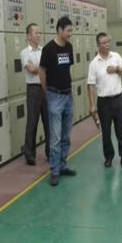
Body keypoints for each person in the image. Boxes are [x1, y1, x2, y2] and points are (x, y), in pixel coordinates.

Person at [39, 17, 77, 187]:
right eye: (68, 30)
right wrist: (47, 92)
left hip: (68, 96)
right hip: (54, 96)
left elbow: (68, 69)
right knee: (55, 137)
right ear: (60, 30)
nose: (70, 34)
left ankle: (62, 165)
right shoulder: (48, 49)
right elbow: (41, 71)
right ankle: (54, 171)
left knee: (66, 136)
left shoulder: (69, 47)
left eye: (71, 31)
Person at [87, 32, 122, 169]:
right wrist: (92, 105)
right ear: (98, 45)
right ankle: (108, 157)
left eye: (108, 42)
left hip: (118, 100)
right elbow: (90, 85)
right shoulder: (94, 64)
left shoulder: (116, 57)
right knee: (106, 132)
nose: (106, 45)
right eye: (103, 43)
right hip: (104, 103)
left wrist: (117, 69)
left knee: (121, 131)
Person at [21, 23, 49, 165]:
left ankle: (50, 152)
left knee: (48, 121)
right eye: (36, 33)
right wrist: (42, 69)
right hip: (33, 89)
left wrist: (39, 69)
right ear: (28, 36)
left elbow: (48, 69)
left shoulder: (44, 50)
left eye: (39, 33)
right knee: (32, 122)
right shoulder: (24, 53)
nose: (39, 35)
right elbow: (31, 70)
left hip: (46, 88)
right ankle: (29, 155)